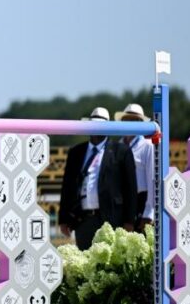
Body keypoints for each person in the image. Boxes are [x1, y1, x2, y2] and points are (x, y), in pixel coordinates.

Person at [59, 107, 139, 250]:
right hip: (83, 219)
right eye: (93, 125)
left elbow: (130, 188)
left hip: (111, 219)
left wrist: (129, 221)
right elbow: (67, 186)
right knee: (84, 263)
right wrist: (63, 219)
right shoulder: (76, 152)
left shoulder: (121, 151)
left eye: (100, 125)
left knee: (110, 266)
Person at [116, 103, 156, 231]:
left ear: (140, 122)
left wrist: (149, 213)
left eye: (133, 120)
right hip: (121, 203)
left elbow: (152, 181)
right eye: (126, 120)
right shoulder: (118, 145)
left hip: (141, 201)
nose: (129, 123)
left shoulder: (147, 146)